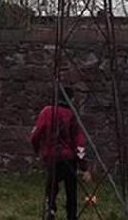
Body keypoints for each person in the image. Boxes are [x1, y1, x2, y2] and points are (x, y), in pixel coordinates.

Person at [30, 87, 91, 220]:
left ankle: (50, 208)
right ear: (71, 100)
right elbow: (79, 143)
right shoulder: (72, 116)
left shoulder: (47, 112)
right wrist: (83, 166)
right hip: (69, 158)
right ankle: (71, 215)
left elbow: (36, 134)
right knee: (71, 190)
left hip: (52, 156)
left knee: (51, 183)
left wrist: (37, 149)